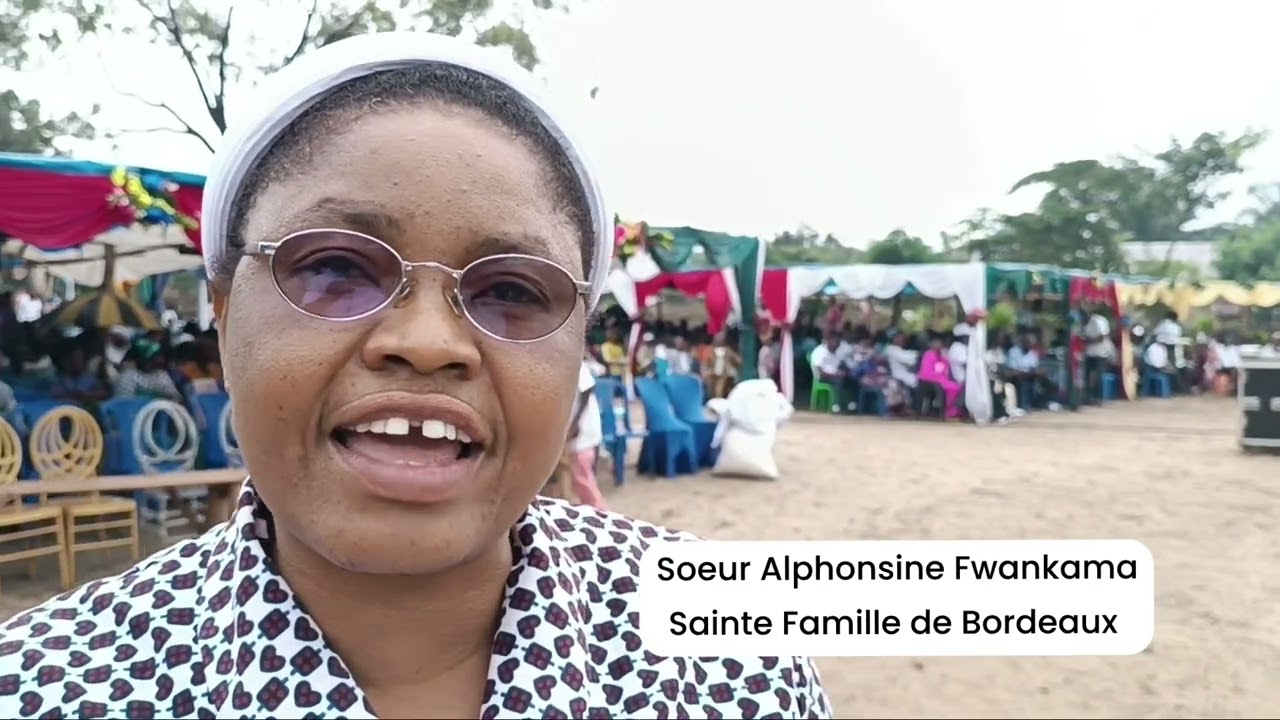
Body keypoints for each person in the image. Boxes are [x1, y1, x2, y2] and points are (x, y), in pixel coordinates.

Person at [0, 34, 830, 718]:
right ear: (223, 308)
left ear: (580, 342)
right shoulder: (47, 687)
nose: (428, 343)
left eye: (512, 291)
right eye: (332, 268)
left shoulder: (731, 667)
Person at [566, 354, 607, 510]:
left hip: (582, 427)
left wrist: (575, 422)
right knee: (581, 477)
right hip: (579, 427)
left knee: (582, 477)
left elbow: (587, 388)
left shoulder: (576, 363)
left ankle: (601, 513)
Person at [917, 335, 963, 419]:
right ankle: (942, 411)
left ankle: (952, 410)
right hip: (927, 381)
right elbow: (926, 372)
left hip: (942, 379)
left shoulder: (942, 357)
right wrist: (939, 378)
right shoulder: (928, 355)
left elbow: (945, 370)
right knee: (940, 387)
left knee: (956, 387)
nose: (938, 345)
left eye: (939, 343)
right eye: (935, 343)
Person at [809, 332, 853, 413]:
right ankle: (836, 406)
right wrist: (836, 374)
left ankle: (851, 405)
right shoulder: (819, 351)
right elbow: (820, 372)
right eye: (836, 343)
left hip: (835, 374)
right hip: (823, 377)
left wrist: (844, 372)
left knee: (852, 379)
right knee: (839, 381)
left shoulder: (836, 351)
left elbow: (840, 365)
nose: (837, 347)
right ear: (829, 341)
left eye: (838, 345)